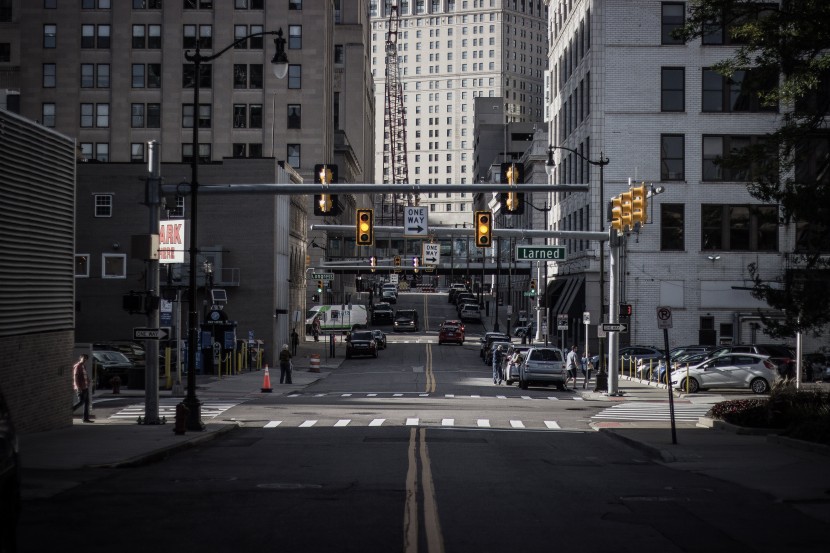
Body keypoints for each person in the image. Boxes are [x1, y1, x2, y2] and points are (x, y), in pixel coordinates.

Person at [72, 354, 93, 422]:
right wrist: (78, 387)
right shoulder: (77, 366)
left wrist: (88, 380)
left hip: (85, 387)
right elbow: (75, 377)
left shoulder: (83, 366)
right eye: (83, 358)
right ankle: (70, 410)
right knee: (81, 401)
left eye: (86, 359)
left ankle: (85, 418)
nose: (85, 360)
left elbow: (84, 375)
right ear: (80, 358)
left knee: (87, 402)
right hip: (80, 387)